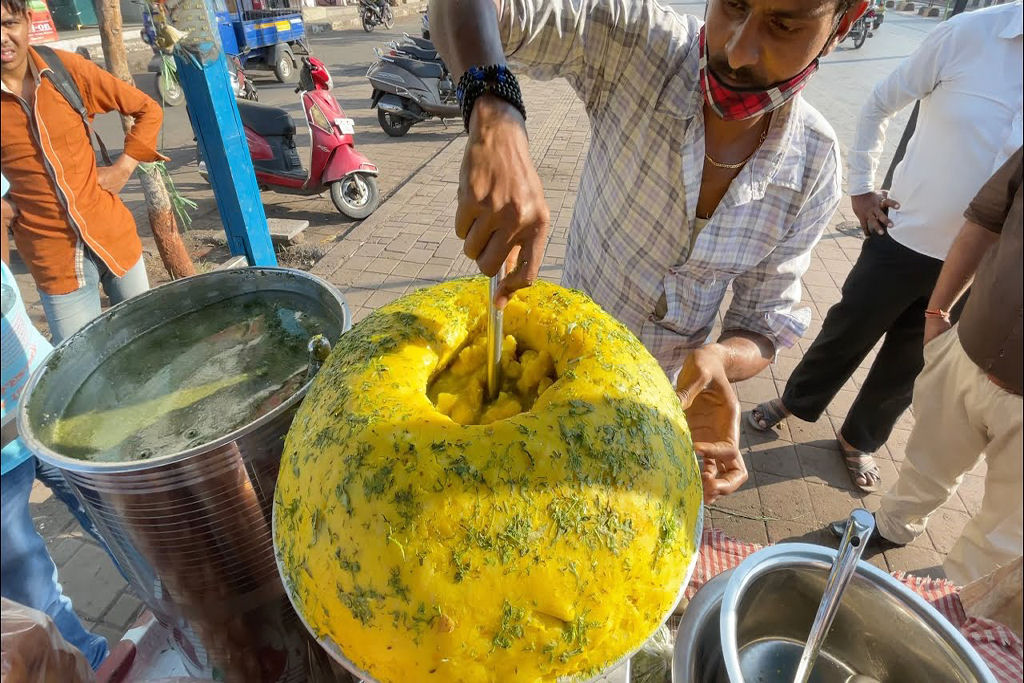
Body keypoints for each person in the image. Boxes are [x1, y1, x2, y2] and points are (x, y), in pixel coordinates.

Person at [429, 0, 867, 503]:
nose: (738, 51)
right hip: (554, 374)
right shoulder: (637, 42)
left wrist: (720, 358)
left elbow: (763, 325)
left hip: (656, 403)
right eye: (733, 5)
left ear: (842, 25)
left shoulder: (814, 165)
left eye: (783, 25)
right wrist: (494, 112)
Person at [750, 1, 1023, 492]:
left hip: (980, 269)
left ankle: (860, 439)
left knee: (912, 362)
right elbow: (879, 102)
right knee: (847, 330)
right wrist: (860, 188)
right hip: (904, 235)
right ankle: (796, 401)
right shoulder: (970, 34)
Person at [830, 148, 1022, 585]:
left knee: (1006, 530)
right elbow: (983, 224)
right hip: (969, 350)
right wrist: (937, 313)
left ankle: (955, 603)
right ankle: (893, 526)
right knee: (928, 460)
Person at [1, 0, 166, 343]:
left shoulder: (65, 70)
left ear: (27, 21)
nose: (2, 37)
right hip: (55, 261)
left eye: (9, 24)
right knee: (84, 360)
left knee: (150, 343)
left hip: (114, 238)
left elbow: (147, 109)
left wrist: (124, 167)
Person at [1, 173, 111, 669]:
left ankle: (184, 615)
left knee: (123, 523)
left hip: (48, 399)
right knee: (31, 591)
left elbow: (5, 209)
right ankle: (92, 667)